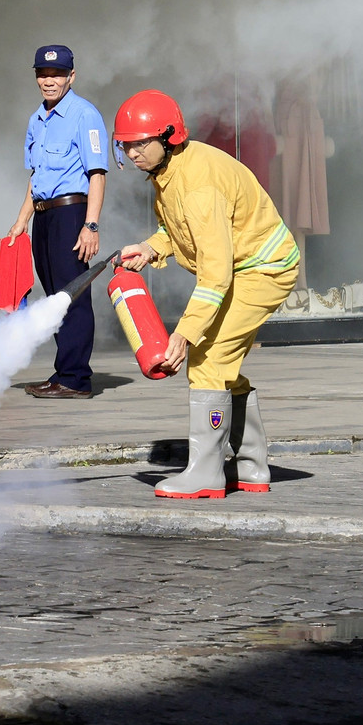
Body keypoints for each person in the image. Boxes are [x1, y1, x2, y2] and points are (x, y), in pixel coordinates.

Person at [114, 89, 298, 497]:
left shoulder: (197, 183)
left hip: (261, 270)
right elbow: (179, 229)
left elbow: (215, 275)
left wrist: (183, 334)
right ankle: (251, 467)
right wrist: (150, 248)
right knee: (223, 361)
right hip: (245, 267)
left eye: (139, 143)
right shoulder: (174, 170)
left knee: (207, 358)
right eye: (125, 144)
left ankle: (206, 473)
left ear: (168, 137)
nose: (131, 153)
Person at [5, 44, 109, 398]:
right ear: (36, 77)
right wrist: (21, 221)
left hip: (71, 214)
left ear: (71, 76)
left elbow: (97, 173)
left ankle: (76, 379)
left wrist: (90, 225)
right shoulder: (37, 120)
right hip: (44, 217)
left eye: (57, 74)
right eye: (43, 75)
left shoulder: (84, 115)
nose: (50, 81)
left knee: (73, 296)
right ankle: (63, 372)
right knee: (53, 296)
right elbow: (36, 176)